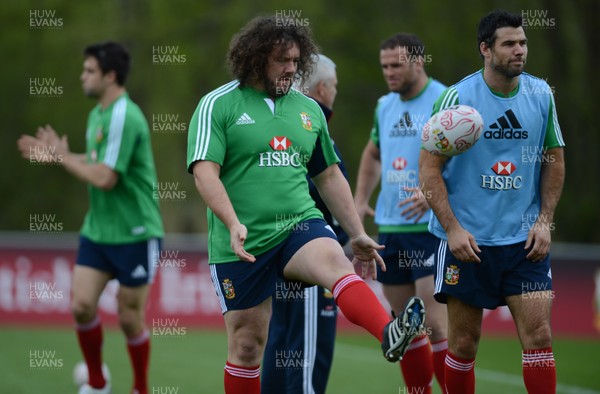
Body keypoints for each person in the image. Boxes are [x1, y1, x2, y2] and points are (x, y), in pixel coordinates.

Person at [186, 15, 425, 394]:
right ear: (256, 57)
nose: (292, 69)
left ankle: (389, 331)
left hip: (299, 224)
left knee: (334, 261)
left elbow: (328, 176)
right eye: (283, 60)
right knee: (248, 345)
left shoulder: (308, 110)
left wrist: (357, 233)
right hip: (243, 241)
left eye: (297, 61)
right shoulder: (218, 104)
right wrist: (232, 223)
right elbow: (204, 172)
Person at [418, 10, 565, 394]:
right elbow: (428, 170)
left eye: (523, 43)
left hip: (524, 243)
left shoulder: (541, 94)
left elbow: (555, 160)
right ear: (485, 49)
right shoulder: (456, 97)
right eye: (509, 44)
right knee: (464, 346)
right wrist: (452, 229)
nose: (520, 51)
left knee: (539, 337)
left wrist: (544, 220)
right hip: (469, 243)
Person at [17, 41, 163, 394]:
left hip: (136, 232)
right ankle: (97, 384)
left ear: (110, 76)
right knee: (81, 306)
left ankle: (140, 388)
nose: (82, 76)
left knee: (129, 319)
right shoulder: (98, 113)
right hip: (98, 231)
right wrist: (62, 155)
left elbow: (105, 177)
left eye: (89, 71)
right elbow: (96, 161)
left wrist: (61, 159)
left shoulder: (126, 116)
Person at [354, 33, 448, 393]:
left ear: (418, 62)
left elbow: (465, 158)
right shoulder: (384, 106)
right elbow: (373, 153)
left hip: (430, 228)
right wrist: (360, 199)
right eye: (384, 67)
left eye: (397, 65)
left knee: (435, 325)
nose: (389, 73)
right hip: (390, 228)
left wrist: (432, 191)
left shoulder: (444, 98)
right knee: (405, 329)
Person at [261, 54, 348, 394]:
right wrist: (345, 237)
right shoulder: (311, 124)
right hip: (311, 256)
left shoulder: (279, 119)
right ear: (323, 88)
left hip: (278, 255)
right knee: (308, 354)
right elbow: (323, 189)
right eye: (336, 86)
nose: (336, 92)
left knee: (279, 343)